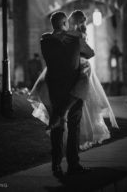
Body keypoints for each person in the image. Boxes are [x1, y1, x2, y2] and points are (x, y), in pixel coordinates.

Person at [28, 10, 118, 177]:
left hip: (54, 87)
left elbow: (56, 41)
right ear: (64, 24)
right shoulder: (75, 39)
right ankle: (73, 164)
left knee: (57, 128)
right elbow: (90, 53)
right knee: (74, 125)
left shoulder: (45, 40)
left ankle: (56, 165)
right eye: (66, 23)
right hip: (73, 88)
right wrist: (76, 41)